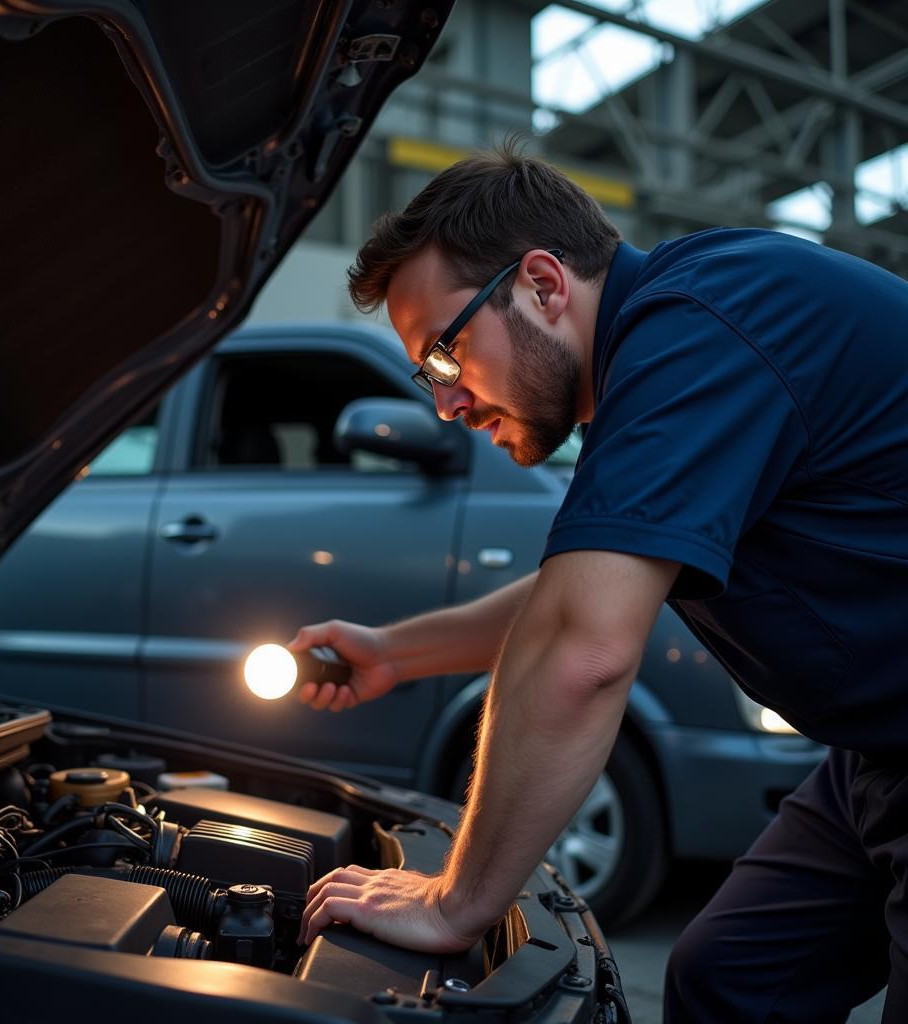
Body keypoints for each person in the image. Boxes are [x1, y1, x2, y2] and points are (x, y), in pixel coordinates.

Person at [291, 144, 908, 1023]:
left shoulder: (699, 331)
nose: (447, 404)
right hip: (875, 754)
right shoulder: (672, 347)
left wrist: (455, 901)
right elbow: (571, 599)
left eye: (442, 356)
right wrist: (396, 651)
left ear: (543, 283)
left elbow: (583, 649)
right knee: (728, 980)